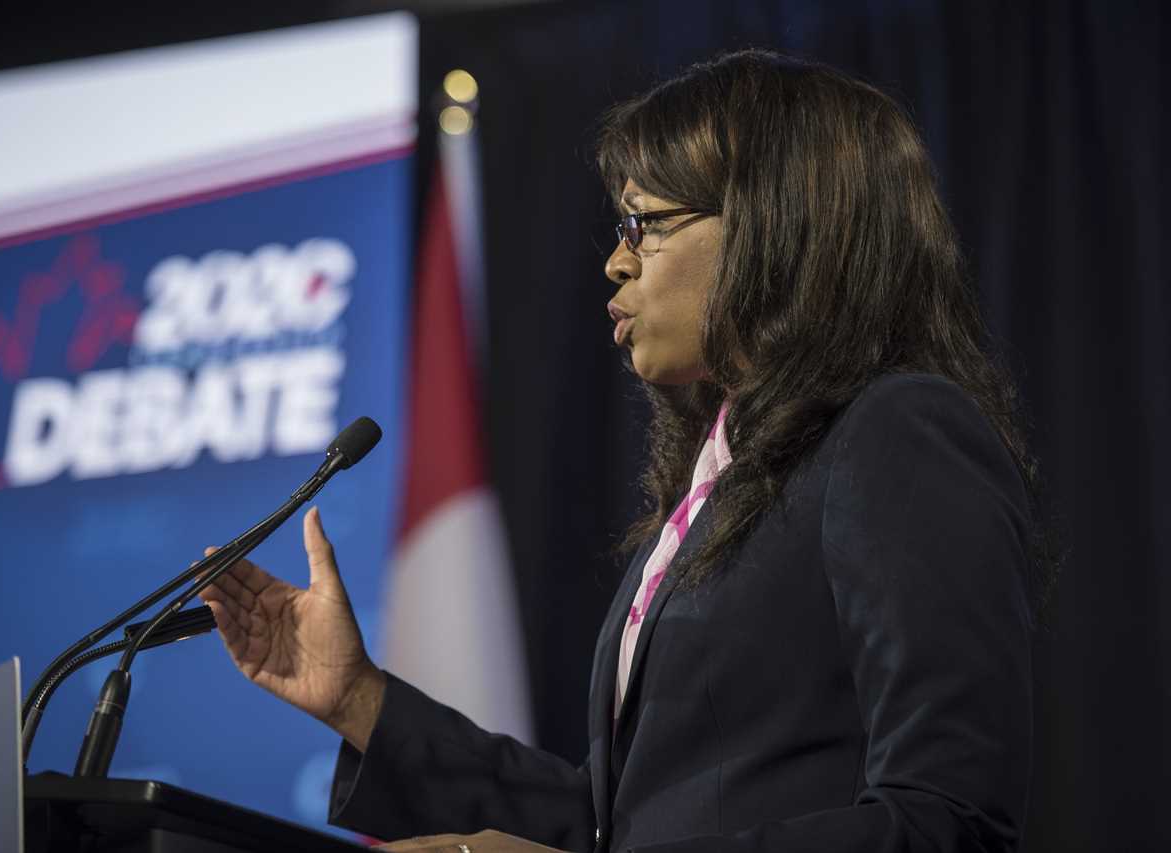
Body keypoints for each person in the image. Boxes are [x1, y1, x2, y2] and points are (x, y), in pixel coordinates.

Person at [199, 49, 1050, 852]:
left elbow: (947, 820)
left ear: (773, 221)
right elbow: (613, 826)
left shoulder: (896, 433)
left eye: (646, 225)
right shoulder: (717, 484)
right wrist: (359, 699)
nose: (615, 261)